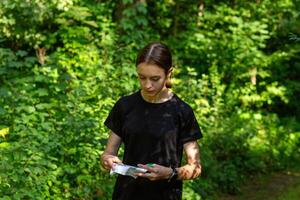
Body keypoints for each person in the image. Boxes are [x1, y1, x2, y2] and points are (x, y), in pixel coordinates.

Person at [100, 42, 203, 200]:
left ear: (169, 73)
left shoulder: (182, 111)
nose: (147, 85)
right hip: (126, 194)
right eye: (142, 78)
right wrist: (107, 160)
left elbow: (195, 168)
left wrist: (170, 173)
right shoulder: (125, 106)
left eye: (155, 79)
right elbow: (107, 155)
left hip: (165, 195)